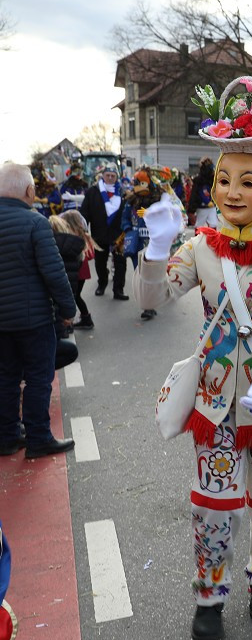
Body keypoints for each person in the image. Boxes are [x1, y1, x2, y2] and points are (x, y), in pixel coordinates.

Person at [136, 76, 252, 640]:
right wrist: (155, 251)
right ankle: (209, 595)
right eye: (223, 180)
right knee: (213, 507)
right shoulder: (202, 245)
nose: (233, 192)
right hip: (215, 402)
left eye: (248, 181)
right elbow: (156, 298)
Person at [0, 163, 77, 458]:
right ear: (30, 190)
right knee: (37, 378)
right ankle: (38, 438)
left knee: (5, 377)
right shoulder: (34, 223)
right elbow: (54, 273)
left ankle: (6, 437)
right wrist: (67, 309)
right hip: (33, 321)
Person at [80, 164, 129, 299]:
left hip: (119, 234)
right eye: (108, 175)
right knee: (100, 262)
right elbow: (85, 211)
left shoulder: (124, 192)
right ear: (103, 176)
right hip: (99, 233)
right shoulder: (93, 192)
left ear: (117, 177)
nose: (110, 178)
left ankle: (118, 290)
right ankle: (102, 284)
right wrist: (83, 228)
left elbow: (132, 211)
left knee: (120, 262)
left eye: (113, 176)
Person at [187, 157, 218, 229]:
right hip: (203, 207)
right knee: (202, 225)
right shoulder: (201, 180)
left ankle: (210, 240)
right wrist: (191, 209)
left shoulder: (209, 180)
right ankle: (200, 240)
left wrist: (191, 209)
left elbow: (194, 195)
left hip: (209, 206)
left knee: (211, 224)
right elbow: (195, 195)